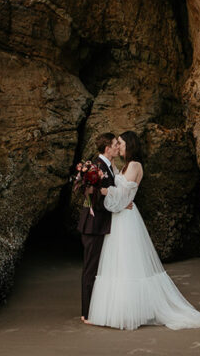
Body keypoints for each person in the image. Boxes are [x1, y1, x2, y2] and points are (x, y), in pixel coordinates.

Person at [86, 130, 200, 330]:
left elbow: (123, 196)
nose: (119, 147)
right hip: (118, 218)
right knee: (118, 263)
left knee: (128, 264)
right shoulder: (123, 167)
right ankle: (121, 311)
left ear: (130, 145)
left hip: (126, 218)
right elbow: (119, 189)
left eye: (122, 143)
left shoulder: (135, 166)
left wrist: (104, 191)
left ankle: (132, 312)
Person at [78, 131, 120, 323]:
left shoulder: (109, 166)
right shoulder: (95, 166)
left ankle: (98, 308)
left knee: (100, 267)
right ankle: (86, 313)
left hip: (102, 223)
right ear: (107, 148)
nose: (118, 147)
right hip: (93, 224)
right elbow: (88, 190)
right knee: (91, 268)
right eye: (115, 144)